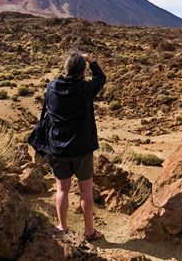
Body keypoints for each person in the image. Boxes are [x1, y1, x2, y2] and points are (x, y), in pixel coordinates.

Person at [44, 49, 106, 242]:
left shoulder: (52, 87)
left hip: (57, 148)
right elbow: (101, 77)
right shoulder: (85, 89)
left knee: (62, 188)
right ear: (82, 71)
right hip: (81, 148)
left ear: (65, 68)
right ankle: (89, 231)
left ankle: (62, 227)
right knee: (86, 190)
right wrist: (91, 61)